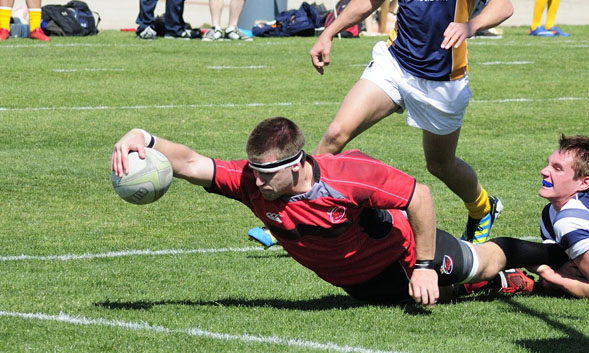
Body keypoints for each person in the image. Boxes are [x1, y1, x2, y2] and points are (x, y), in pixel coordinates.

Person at [111, 117, 567, 306]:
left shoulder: (347, 176)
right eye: (254, 172)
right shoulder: (252, 182)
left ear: (299, 163)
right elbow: (190, 162)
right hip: (360, 284)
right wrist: (145, 139)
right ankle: (515, 284)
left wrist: (425, 266)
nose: (258, 181)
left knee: (478, 261)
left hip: (403, 252)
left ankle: (559, 252)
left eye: (269, 173)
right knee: (416, 300)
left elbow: (420, 197)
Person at [309, 0, 514, 244]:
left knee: (440, 164)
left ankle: (482, 208)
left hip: (443, 81)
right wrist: (329, 33)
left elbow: (504, 6)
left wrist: (471, 26)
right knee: (335, 133)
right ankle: (298, 208)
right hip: (395, 65)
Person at [526, 134, 589, 297]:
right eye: (548, 164)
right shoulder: (550, 214)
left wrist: (550, 275)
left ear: (584, 182)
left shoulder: (571, 219)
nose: (543, 171)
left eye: (557, 168)